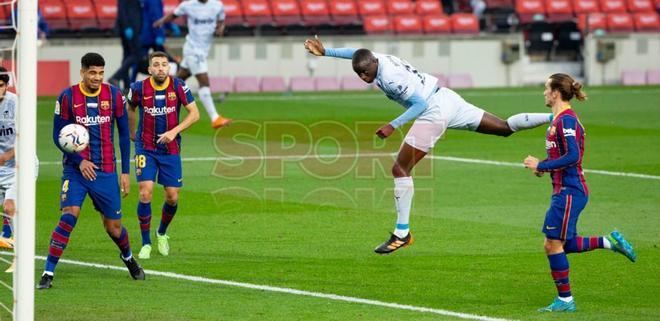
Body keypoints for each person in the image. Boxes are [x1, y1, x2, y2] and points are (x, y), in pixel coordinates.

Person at [304, 36, 553, 254]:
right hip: (447, 98)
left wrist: (393, 124)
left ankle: (402, 234)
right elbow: (356, 54)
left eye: (366, 73)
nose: (363, 77)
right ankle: (554, 117)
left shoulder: (391, 78)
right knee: (504, 128)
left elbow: (419, 105)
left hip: (433, 110)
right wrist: (327, 53)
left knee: (400, 169)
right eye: (359, 74)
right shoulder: (375, 59)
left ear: (374, 66)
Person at [523, 73, 636, 312]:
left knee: (552, 243)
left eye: (546, 88)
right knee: (565, 243)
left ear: (555, 92)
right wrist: (544, 166)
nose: (543, 92)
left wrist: (541, 165)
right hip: (565, 190)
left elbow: (573, 156)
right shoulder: (558, 120)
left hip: (570, 191)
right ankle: (610, 242)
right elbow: (562, 156)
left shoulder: (566, 120)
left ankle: (565, 301)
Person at [38, 53, 145, 290]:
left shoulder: (114, 95)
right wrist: (79, 161)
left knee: (114, 228)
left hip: (106, 171)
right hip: (76, 171)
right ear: (82, 72)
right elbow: (58, 135)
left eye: (100, 73)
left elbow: (125, 136)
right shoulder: (67, 97)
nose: (97, 77)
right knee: (69, 215)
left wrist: (125, 172)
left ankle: (127, 257)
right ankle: (48, 272)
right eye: (92, 72)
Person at [127, 51, 199, 259]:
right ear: (149, 69)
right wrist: (133, 134)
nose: (160, 68)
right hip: (145, 148)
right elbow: (129, 108)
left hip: (171, 149)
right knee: (145, 192)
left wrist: (174, 131)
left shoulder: (178, 86)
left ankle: (162, 233)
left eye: (164, 64)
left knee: (172, 196)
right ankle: (146, 243)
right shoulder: (138, 88)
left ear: (169, 68)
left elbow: (195, 114)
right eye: (156, 65)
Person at [153, 0, 232, 129]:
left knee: (178, 81)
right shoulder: (188, 5)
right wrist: (161, 22)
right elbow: (173, 14)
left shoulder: (217, 5)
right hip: (193, 50)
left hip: (203, 50)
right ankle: (215, 118)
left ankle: (156, 102)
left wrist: (220, 29)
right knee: (204, 82)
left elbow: (221, 21)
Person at [109, 0, 143, 91]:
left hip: (132, 28)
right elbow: (122, 10)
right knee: (137, 55)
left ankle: (127, 85)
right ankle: (116, 77)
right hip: (130, 28)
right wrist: (127, 26)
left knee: (127, 56)